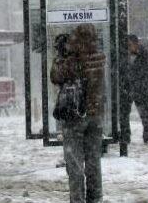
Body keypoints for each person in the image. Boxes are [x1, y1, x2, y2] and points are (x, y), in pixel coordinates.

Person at [51, 24, 106, 203]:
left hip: (75, 115)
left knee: (74, 164)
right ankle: (95, 198)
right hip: (95, 115)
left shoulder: (73, 58)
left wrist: (61, 55)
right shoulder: (98, 56)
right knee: (93, 162)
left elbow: (56, 76)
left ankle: (78, 200)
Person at [120, 34, 148, 144]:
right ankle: (125, 136)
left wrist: (143, 80)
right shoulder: (122, 55)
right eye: (126, 45)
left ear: (136, 44)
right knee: (124, 113)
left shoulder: (145, 54)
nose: (128, 47)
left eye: (130, 45)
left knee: (144, 113)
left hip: (140, 88)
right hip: (126, 87)